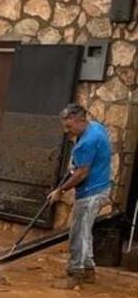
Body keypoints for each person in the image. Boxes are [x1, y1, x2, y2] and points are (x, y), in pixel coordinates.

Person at [47, 102, 112, 287]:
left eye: (69, 126)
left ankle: (76, 274)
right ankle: (89, 272)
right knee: (84, 232)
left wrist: (60, 191)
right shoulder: (96, 128)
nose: (67, 131)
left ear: (80, 120)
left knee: (78, 233)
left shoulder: (87, 142)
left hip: (91, 192)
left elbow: (81, 173)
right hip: (100, 188)